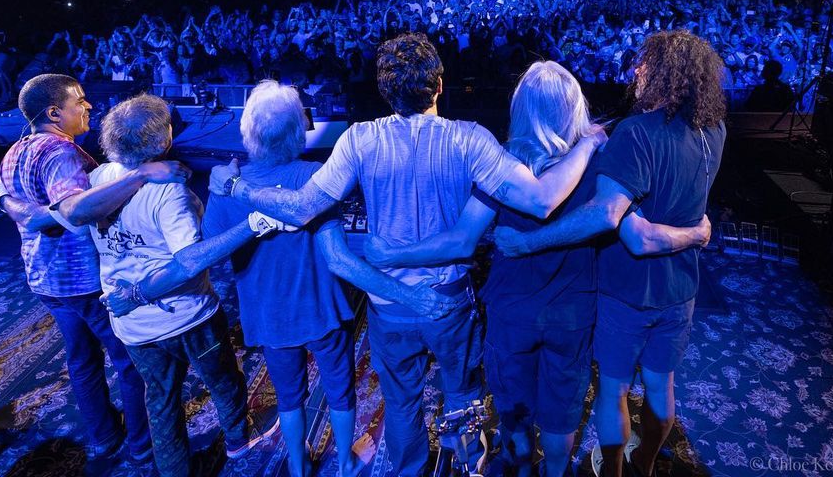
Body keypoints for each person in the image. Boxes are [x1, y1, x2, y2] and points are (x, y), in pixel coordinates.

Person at [208, 33, 604, 477]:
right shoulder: (470, 139)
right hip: (449, 301)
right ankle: (468, 469)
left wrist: (238, 187)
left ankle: (410, 470)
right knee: (462, 397)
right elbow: (542, 200)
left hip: (389, 303)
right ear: (439, 85)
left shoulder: (359, 140)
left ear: (385, 91)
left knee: (401, 404)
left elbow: (301, 208)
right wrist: (587, 143)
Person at [364, 61, 708, 477]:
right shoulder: (599, 164)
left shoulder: (502, 164)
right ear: (574, 106)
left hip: (512, 310)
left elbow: (463, 238)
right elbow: (630, 228)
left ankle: (523, 470)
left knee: (514, 409)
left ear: (521, 109)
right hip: (572, 312)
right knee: (562, 411)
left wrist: (392, 253)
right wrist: (695, 230)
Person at [493, 31, 726, 477]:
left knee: (613, 391)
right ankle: (646, 463)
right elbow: (687, 203)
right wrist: (696, 234)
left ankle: (615, 470)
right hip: (681, 287)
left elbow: (625, 229)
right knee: (661, 388)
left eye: (646, 63)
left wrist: (529, 242)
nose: (636, 70)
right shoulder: (714, 130)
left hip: (628, 289)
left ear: (666, 74)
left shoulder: (636, 133)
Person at [202, 80, 402, 477]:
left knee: (289, 396)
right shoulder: (315, 176)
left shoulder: (226, 184)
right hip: (321, 307)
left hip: (269, 313)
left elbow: (212, 249)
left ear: (248, 131)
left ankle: (297, 465)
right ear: (299, 129)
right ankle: (345, 462)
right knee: (340, 388)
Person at [0, 74, 189, 463]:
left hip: (45, 278)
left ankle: (103, 438)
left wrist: (3, 200)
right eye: (79, 101)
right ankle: (142, 444)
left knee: (81, 360)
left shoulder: (15, 150)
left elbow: (27, 208)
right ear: (54, 112)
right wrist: (141, 175)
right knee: (129, 362)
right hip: (82, 279)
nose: (89, 107)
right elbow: (75, 213)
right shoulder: (60, 154)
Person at [83, 94, 280, 476]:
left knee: (160, 401)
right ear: (162, 140)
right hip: (188, 317)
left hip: (134, 326)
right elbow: (188, 263)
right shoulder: (168, 192)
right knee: (223, 380)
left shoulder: (99, 179)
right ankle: (238, 439)